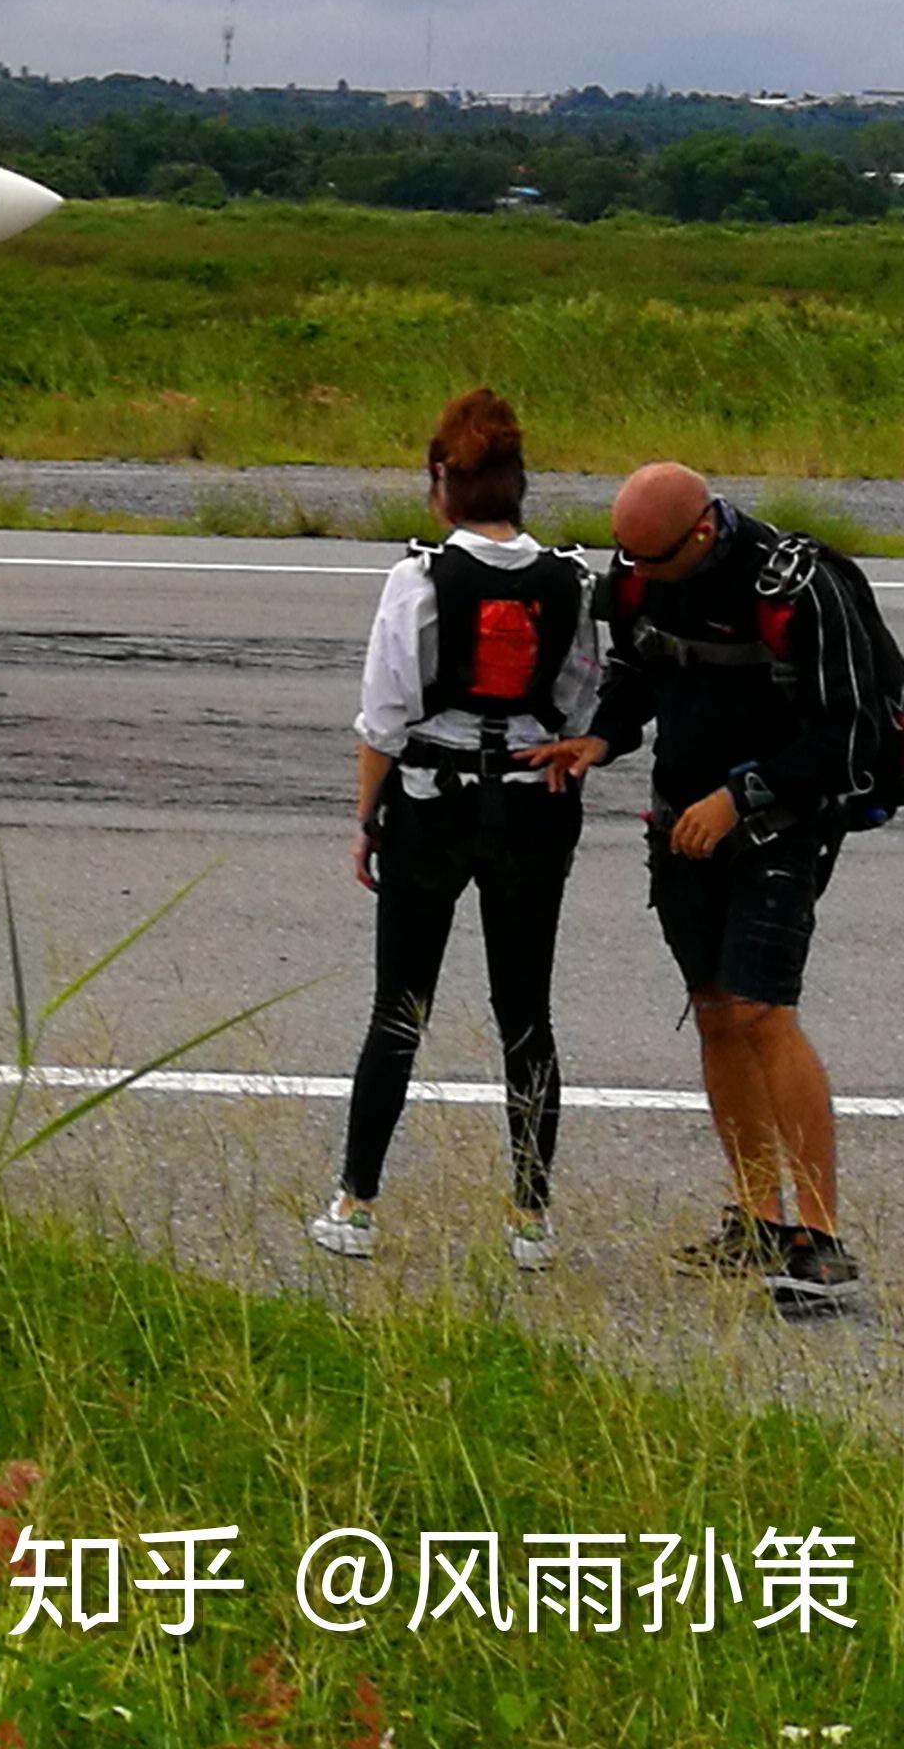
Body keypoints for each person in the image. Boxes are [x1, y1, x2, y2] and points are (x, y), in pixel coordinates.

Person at [544, 462, 879, 1317]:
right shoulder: (638, 580)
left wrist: (740, 800)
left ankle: (823, 1241)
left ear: (701, 533)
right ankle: (760, 1222)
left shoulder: (800, 586)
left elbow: (851, 737)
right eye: (627, 561)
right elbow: (641, 674)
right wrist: (603, 742)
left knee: (765, 1012)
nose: (634, 577)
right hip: (680, 823)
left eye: (650, 561)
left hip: (780, 827)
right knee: (717, 1009)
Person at [305, 389, 599, 1273]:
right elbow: (580, 699)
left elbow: (383, 717)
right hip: (534, 806)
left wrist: (369, 819)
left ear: (443, 481)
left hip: (431, 806)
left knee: (399, 1006)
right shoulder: (572, 582)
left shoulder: (418, 579)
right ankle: (532, 1219)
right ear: (521, 486)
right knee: (526, 1014)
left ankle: (357, 1203)